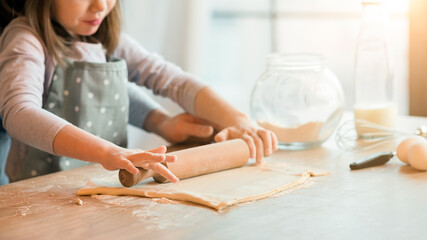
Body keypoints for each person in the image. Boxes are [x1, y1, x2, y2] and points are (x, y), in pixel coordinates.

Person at [0, 0, 278, 185]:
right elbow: (19, 112)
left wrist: (238, 120)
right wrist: (106, 152)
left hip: (107, 185)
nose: (100, 6)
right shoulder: (26, 39)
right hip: (40, 194)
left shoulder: (106, 38)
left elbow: (172, 80)